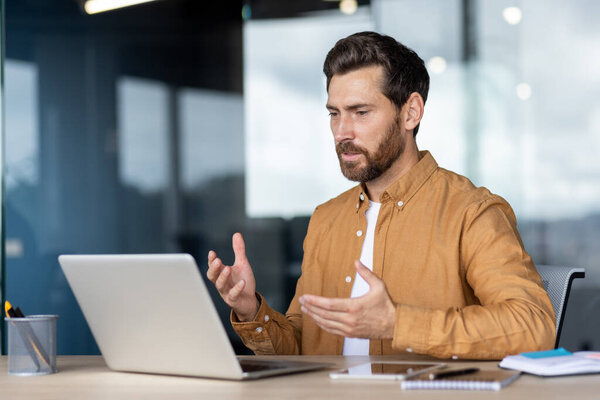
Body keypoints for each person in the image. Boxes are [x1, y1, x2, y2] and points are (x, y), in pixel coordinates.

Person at [206, 31, 555, 360]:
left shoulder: (471, 212)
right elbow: (306, 347)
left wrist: (397, 324)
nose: (342, 132)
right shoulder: (327, 219)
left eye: (361, 112)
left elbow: (534, 327)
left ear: (411, 112)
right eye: (334, 114)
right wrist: (251, 309)